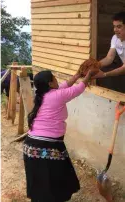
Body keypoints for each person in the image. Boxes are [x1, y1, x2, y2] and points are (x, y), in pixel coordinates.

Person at [23, 69, 97, 202]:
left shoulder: (44, 94)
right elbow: (78, 89)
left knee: (41, 179)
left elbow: (65, 85)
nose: (57, 79)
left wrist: (77, 75)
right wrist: (89, 76)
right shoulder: (57, 96)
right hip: (45, 146)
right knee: (54, 177)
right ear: (50, 83)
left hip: (32, 145)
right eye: (54, 78)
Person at [93, 12, 125, 79]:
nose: (115, 30)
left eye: (119, 27)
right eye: (114, 26)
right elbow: (109, 58)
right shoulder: (115, 38)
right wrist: (95, 66)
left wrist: (104, 74)